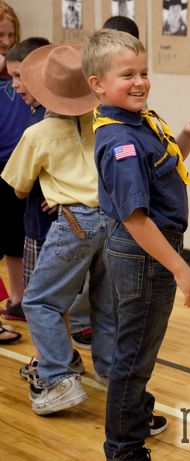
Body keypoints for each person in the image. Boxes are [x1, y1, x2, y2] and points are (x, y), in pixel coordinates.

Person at [81, 29, 190, 460]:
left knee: (137, 346)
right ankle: (124, 448)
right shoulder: (119, 141)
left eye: (143, 72)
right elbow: (136, 219)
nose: (139, 82)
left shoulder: (137, 123)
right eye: (127, 75)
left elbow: (160, 176)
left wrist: (186, 138)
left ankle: (135, 418)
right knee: (134, 356)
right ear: (97, 84)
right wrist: (180, 268)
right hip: (145, 254)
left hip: (149, 250)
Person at [1, 43, 115, 414]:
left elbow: (18, 188)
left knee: (39, 301)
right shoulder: (104, 121)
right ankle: (113, 374)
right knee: (104, 303)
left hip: (73, 223)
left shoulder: (36, 134)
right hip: (112, 220)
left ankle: (56, 378)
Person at [4, 37, 91, 383]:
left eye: (18, 76)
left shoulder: (41, 128)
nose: (13, 85)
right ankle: (60, 356)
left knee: (41, 301)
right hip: (67, 222)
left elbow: (18, 186)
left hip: (50, 226)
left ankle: (51, 365)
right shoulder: (83, 118)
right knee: (57, 301)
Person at [0, 1, 28, 322]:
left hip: (18, 163)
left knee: (16, 236)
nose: (6, 42)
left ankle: (18, 298)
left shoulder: (20, 70)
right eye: (0, 36)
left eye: (11, 35)